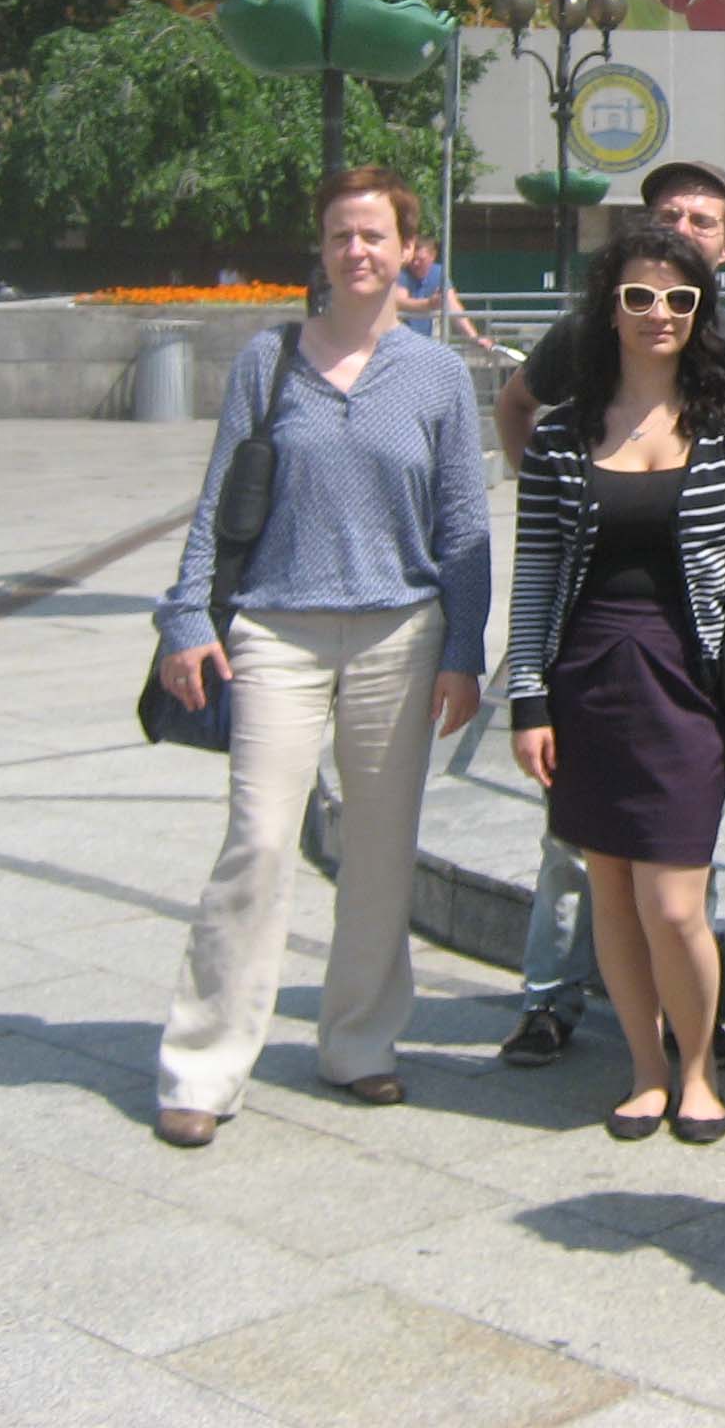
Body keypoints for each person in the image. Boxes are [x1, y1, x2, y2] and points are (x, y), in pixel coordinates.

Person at [149, 167, 493, 1149]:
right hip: (274, 629)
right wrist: (186, 618)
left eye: (375, 236)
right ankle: (204, 1064)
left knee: (381, 851)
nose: (357, 252)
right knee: (257, 841)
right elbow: (219, 502)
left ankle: (359, 1042)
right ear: (323, 247)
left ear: (409, 251)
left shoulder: (433, 377)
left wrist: (463, 653)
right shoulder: (268, 361)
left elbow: (464, 527)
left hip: (400, 632)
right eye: (342, 235)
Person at [503, 224, 725, 1144]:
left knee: (675, 900)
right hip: (587, 672)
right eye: (641, 296)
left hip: (690, 674)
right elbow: (534, 573)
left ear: (701, 313)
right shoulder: (565, 429)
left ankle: (697, 1067)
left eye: (680, 300)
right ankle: (644, 1072)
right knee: (609, 889)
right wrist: (528, 697)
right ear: (611, 305)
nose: (659, 315)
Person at [394, 234, 487, 349]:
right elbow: (401, 302)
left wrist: (474, 338)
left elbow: (454, 308)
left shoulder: (439, 273)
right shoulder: (403, 273)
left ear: (432, 256)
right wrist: (429, 304)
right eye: (413, 259)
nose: (415, 264)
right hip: (403, 343)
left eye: (421, 260)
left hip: (427, 343)